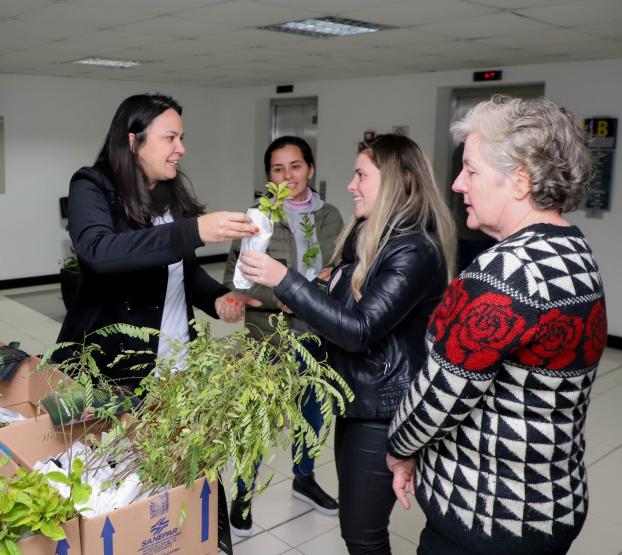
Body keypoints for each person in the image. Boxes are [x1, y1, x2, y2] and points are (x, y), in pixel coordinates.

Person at [386, 96, 606, 555]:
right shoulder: (574, 251)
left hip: (489, 518)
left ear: (519, 181)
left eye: (471, 170)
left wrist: (399, 449)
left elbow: (439, 397)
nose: (457, 183)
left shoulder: (505, 274)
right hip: (550, 503)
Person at [238, 134, 456, 554]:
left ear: (399, 180)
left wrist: (285, 279)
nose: (351, 185)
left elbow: (357, 330)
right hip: (360, 400)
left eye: (361, 175)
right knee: (356, 529)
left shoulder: (412, 250)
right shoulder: (370, 237)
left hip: (385, 412)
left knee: (362, 533)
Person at [56, 92, 259, 387]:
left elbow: (181, 269)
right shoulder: (92, 185)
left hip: (176, 359)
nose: (181, 149)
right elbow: (99, 251)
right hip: (116, 364)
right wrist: (194, 231)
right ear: (133, 141)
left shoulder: (168, 193)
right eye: (170, 138)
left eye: (182, 138)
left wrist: (218, 298)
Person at [222, 135, 344, 536]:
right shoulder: (255, 218)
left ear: (310, 168)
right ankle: (241, 494)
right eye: (278, 168)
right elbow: (235, 281)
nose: (288, 175)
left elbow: (342, 276)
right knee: (257, 420)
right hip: (268, 338)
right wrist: (283, 298)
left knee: (312, 413)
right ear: (268, 176)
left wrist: (316, 290)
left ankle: (305, 478)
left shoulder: (331, 218)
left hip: (318, 336)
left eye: (295, 166)